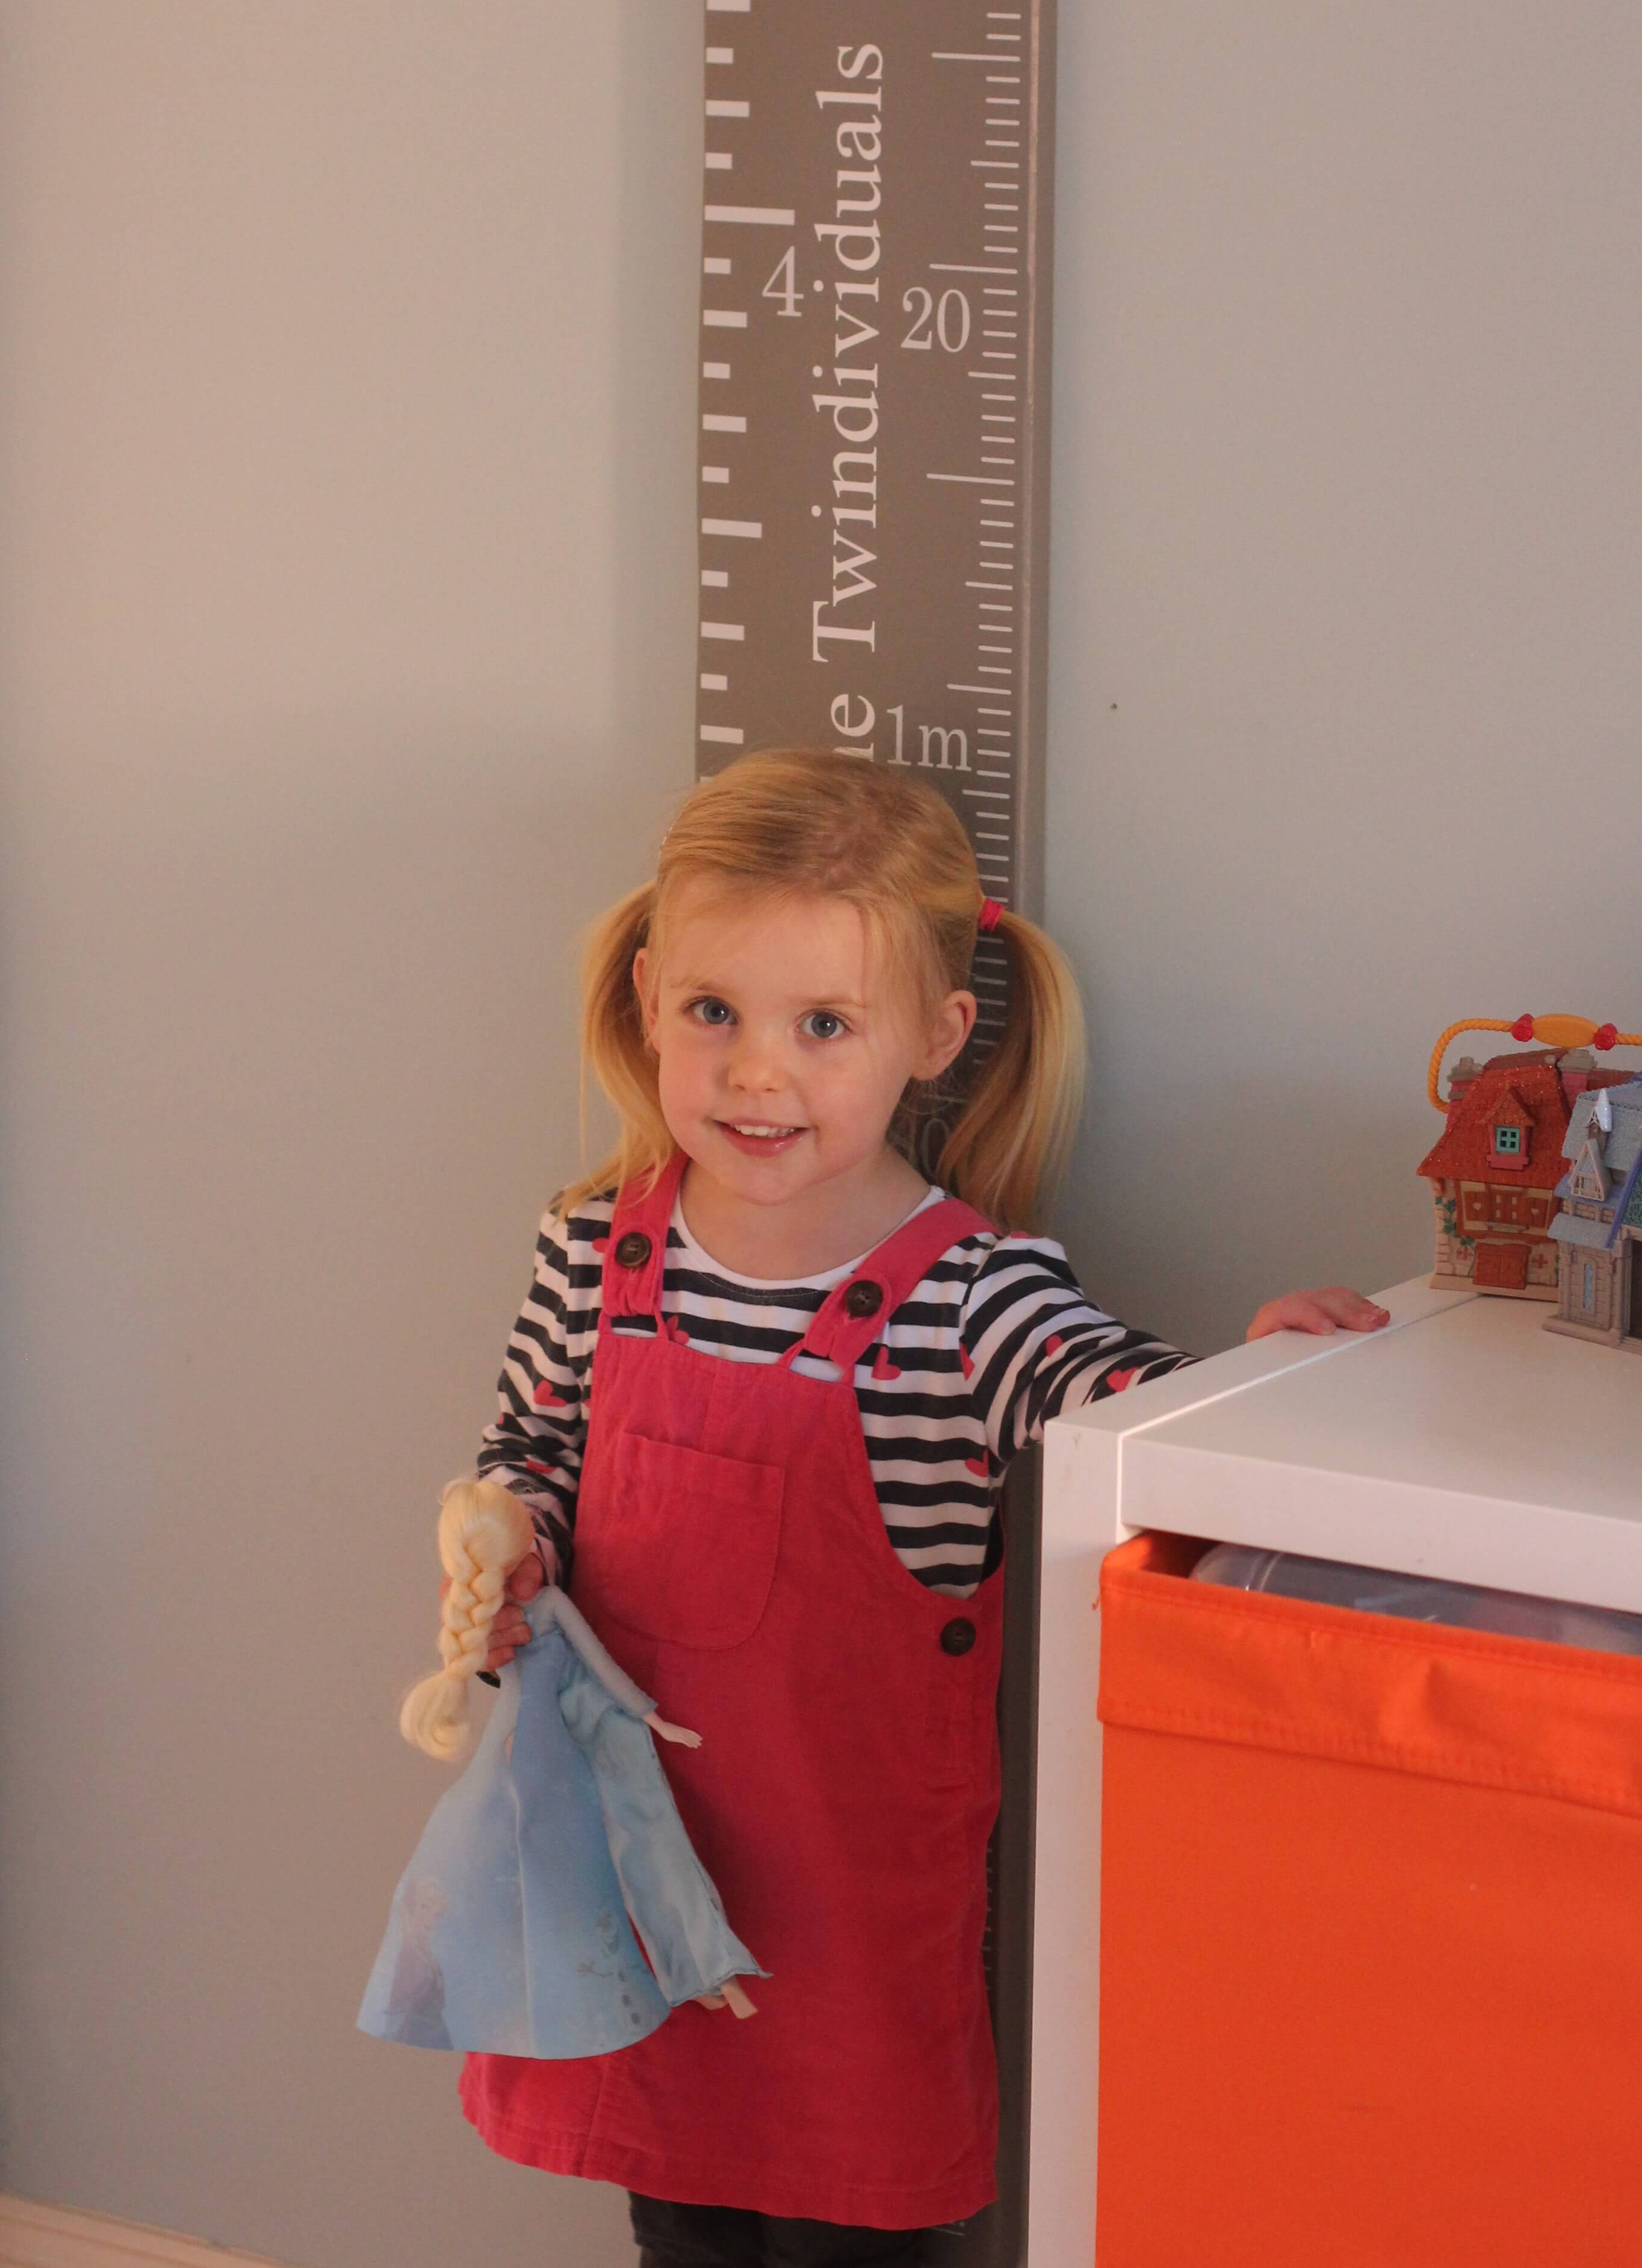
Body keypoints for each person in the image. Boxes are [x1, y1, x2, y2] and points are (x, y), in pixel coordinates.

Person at [447, 748, 1384, 2267]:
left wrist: (1256, 1372)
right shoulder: (591, 1256)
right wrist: (506, 1554)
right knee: (675, 2221)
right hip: (633, 1877)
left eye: (821, 1026)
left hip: (849, 1927)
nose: (756, 1072)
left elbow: (1127, 1411)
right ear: (648, 1000)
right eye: (713, 1013)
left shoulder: (971, 1298)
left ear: (933, 1040)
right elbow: (532, 1451)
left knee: (854, 2243)